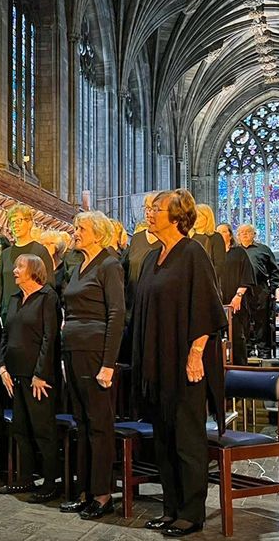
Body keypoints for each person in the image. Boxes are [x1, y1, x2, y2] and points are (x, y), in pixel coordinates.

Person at [133, 190, 226, 537]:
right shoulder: (151, 258)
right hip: (157, 361)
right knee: (163, 439)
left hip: (186, 362)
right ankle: (170, 508)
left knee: (186, 438)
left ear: (177, 217)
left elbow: (206, 309)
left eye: (158, 209)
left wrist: (195, 354)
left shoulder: (193, 253)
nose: (151, 213)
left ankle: (192, 512)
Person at [58, 212, 125, 519]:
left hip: (96, 352)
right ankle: (85, 490)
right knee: (82, 423)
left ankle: (102, 494)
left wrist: (108, 364)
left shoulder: (109, 265)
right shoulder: (78, 265)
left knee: (99, 425)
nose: (75, 232)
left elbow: (116, 314)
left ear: (98, 233)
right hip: (73, 350)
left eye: (80, 228)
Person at [0, 254, 61, 503]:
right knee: (21, 429)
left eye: (19, 266)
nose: (14, 270)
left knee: (43, 430)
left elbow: (49, 337)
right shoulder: (14, 299)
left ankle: (49, 482)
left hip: (38, 378)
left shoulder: (47, 297)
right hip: (14, 374)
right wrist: (2, 367)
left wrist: (40, 373)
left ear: (33, 270)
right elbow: (5, 334)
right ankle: (24, 478)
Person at [120, 194, 161, 365]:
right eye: (147, 208)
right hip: (132, 310)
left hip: (156, 311)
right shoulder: (136, 238)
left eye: (154, 209)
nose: (148, 213)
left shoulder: (167, 241)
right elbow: (126, 269)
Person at [0, 205, 54, 318]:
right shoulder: (6, 254)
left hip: (33, 312)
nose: (15, 225)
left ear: (30, 223)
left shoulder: (40, 251)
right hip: (8, 312)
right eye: (12, 222)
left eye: (19, 221)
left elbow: (48, 283)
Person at [236, 224, 279, 359]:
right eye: (241, 232)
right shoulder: (235, 251)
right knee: (243, 321)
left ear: (254, 234)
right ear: (237, 236)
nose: (244, 234)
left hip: (260, 289)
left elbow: (274, 271)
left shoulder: (263, 250)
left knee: (262, 321)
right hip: (240, 291)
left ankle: (264, 350)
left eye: (248, 232)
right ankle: (247, 349)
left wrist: (272, 289)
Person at [216, 223, 254, 366]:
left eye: (223, 232)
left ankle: (241, 369)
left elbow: (247, 275)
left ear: (230, 235)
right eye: (217, 232)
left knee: (237, 336)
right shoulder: (212, 254)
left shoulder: (239, 253)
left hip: (236, 301)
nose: (219, 234)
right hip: (218, 301)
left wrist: (238, 296)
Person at [191, 204, 225, 285]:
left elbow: (219, 264)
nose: (195, 219)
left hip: (208, 282)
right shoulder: (189, 237)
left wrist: (207, 281)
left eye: (198, 216)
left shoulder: (215, 237)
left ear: (207, 217)